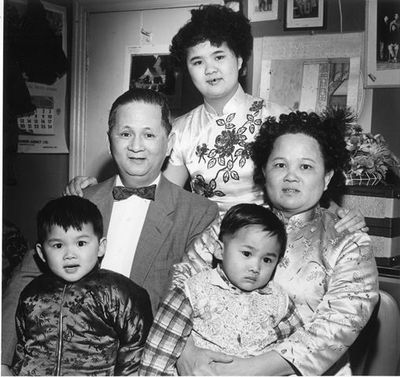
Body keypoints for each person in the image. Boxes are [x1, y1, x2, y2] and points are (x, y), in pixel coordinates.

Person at [65, 4, 366, 233]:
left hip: (273, 241)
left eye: (219, 57)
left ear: (239, 60)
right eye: (198, 61)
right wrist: (94, 191)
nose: (210, 69)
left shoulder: (277, 117)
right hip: (206, 243)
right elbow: (159, 197)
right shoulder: (180, 130)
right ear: (187, 69)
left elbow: (308, 178)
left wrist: (340, 211)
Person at [1, 88, 219, 374]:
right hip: (68, 357)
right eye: (125, 134)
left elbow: (195, 300)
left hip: (146, 362)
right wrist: (3, 359)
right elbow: (28, 276)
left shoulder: (199, 212)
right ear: (109, 141)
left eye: (149, 135)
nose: (136, 146)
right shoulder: (82, 200)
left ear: (170, 143)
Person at [148, 111, 380, 376]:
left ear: (327, 178)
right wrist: (186, 352)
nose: (291, 176)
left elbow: (338, 326)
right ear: (263, 171)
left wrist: (248, 370)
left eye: (306, 166)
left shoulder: (348, 241)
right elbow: (181, 279)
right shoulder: (234, 223)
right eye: (280, 165)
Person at [139, 203, 304, 375]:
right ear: (219, 250)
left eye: (267, 260)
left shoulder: (279, 300)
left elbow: (298, 350)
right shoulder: (192, 292)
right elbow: (158, 356)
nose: (256, 267)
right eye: (247, 254)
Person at [10, 195, 153, 376]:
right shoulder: (32, 294)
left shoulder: (117, 292)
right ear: (41, 253)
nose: (70, 254)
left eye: (81, 243)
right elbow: (23, 348)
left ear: (100, 247)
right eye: (58, 245)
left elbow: (136, 349)